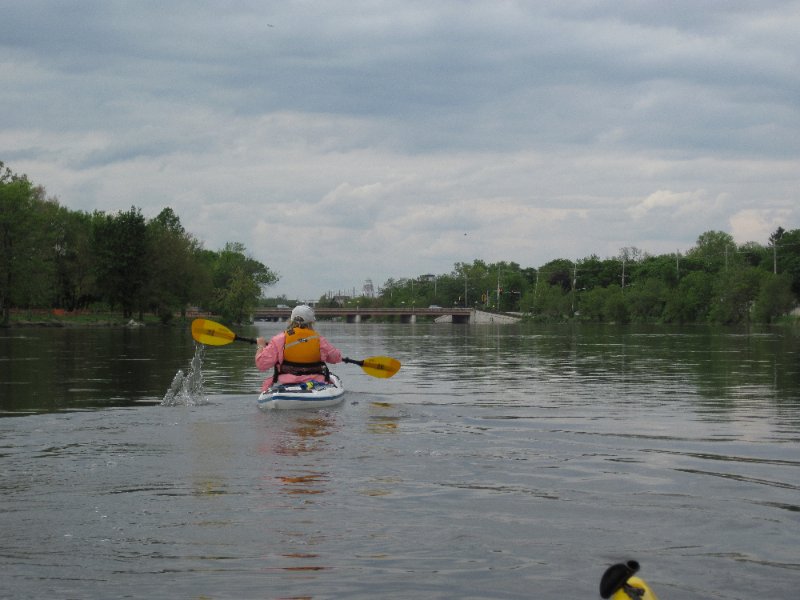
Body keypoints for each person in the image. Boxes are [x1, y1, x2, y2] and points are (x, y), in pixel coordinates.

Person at [255, 305, 343, 391]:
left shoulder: (279, 339)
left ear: (291, 320)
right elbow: (336, 358)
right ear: (312, 322)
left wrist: (261, 346)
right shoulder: (319, 340)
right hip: (316, 382)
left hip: (285, 382)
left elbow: (261, 364)